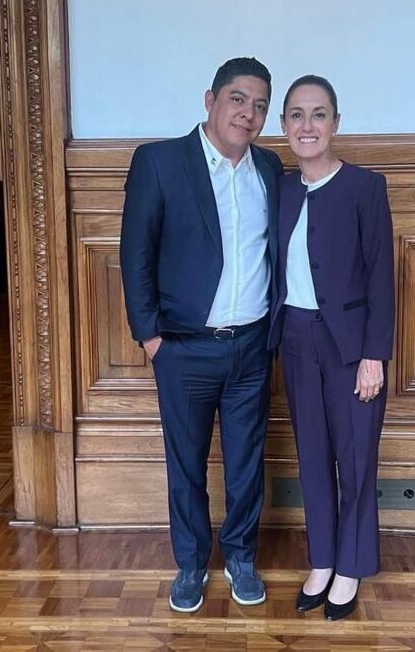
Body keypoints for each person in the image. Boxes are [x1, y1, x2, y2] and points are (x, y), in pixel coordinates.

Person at [120, 57, 283, 612]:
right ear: (210, 99)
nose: (250, 113)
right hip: (183, 348)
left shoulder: (269, 169)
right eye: (239, 99)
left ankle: (240, 557)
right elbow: (135, 255)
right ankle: (190, 564)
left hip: (252, 348)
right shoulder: (161, 162)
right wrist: (152, 340)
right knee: (185, 465)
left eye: (261, 104)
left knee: (246, 465)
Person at [269, 75, 394, 621]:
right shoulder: (281, 187)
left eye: (318, 114)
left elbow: (382, 279)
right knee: (313, 455)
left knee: (356, 456)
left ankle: (351, 565)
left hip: (350, 347)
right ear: (283, 127)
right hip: (295, 339)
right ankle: (321, 559)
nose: (307, 125)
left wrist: (374, 355)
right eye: (296, 115)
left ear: (336, 123)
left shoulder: (366, 187)